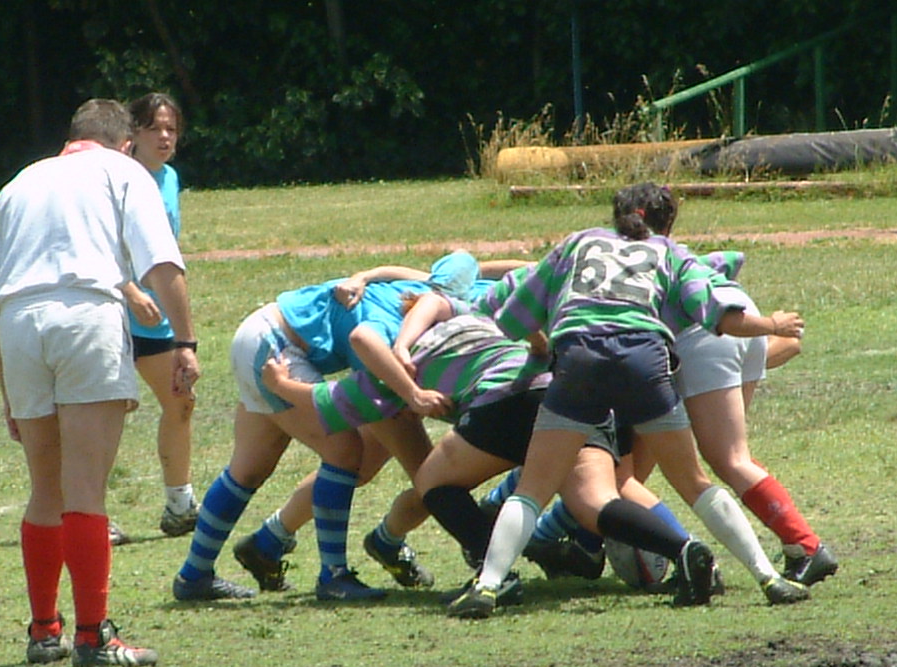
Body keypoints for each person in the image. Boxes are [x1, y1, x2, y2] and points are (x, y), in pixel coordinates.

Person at [449, 181, 805, 618]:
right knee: (694, 482)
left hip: (579, 360)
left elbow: (512, 316)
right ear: (665, 224)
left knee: (533, 489)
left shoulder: (577, 243)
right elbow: (720, 315)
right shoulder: (671, 253)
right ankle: (768, 577)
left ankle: (487, 587)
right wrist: (773, 324)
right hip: (645, 362)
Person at [259, 290, 712, 610]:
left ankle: (494, 570)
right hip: (568, 389)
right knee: (596, 501)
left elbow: (329, 401)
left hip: (506, 401)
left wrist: (281, 386)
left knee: (433, 479)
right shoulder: (474, 312)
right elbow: (448, 300)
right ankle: (684, 550)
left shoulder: (396, 367)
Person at [0, 98, 200, 667]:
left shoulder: (18, 183)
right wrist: (186, 342)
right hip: (85, 317)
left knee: (44, 487)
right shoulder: (124, 171)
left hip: (19, 326)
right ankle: (93, 635)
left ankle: (43, 630)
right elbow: (162, 266)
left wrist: (8, 394)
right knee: (85, 488)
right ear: (125, 143)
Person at [174, 256, 477, 603]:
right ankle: (333, 577)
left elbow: (463, 269)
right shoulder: (395, 320)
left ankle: (194, 575)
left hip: (259, 332)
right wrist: (413, 394)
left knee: (248, 468)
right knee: (345, 451)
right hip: (276, 346)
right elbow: (363, 342)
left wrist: (364, 274)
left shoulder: (420, 288)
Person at [667, 252, 837, 585]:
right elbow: (729, 259)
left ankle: (806, 545)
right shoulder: (672, 251)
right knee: (734, 453)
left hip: (711, 327)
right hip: (739, 307)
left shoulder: (615, 253)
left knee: (731, 459)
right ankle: (801, 546)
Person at [107, 92, 198, 545]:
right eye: (154, 128)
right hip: (113, 314)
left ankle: (180, 505)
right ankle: (91, 514)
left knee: (181, 400)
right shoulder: (117, 179)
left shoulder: (170, 179)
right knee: (106, 412)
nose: (164, 137)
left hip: (156, 318)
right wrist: (129, 290)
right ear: (133, 133)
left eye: (171, 129)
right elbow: (99, 244)